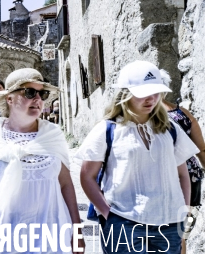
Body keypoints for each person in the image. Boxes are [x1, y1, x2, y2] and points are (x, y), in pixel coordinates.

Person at [0, 68, 83, 254]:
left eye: (42, 93)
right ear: (9, 99)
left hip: (48, 234)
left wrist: (77, 230)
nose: (38, 99)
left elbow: (66, 184)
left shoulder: (53, 135)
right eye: (29, 92)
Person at [77, 61, 198, 254]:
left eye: (156, 92)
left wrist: (182, 212)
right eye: (143, 93)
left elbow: (183, 175)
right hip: (124, 224)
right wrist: (109, 215)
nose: (151, 99)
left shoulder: (169, 129)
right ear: (126, 93)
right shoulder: (107, 130)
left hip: (168, 225)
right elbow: (86, 176)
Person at [159, 71, 205, 252]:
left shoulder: (146, 117)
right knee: (181, 231)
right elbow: (201, 149)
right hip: (192, 175)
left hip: (165, 176)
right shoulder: (182, 113)